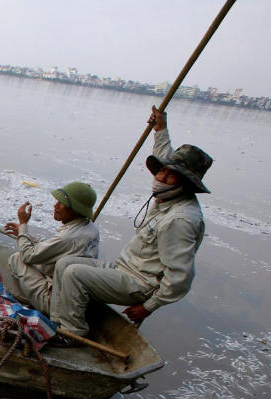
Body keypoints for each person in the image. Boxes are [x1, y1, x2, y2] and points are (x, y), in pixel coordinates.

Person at [49, 107, 212, 341]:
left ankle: (72, 333)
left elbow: (180, 278)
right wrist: (161, 130)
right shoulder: (168, 194)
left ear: (186, 183)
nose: (161, 177)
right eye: (161, 171)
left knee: (75, 274)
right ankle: (57, 321)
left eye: (170, 175)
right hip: (123, 268)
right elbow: (165, 154)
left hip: (139, 284)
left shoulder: (181, 219)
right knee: (65, 263)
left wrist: (150, 306)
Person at [3, 182, 100, 314]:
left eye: (61, 203)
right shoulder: (91, 229)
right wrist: (23, 234)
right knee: (39, 261)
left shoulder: (67, 237)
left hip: (56, 304)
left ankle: (32, 304)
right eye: (57, 201)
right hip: (75, 297)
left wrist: (23, 225)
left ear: (75, 209)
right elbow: (51, 246)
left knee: (16, 259)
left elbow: (27, 255)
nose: (56, 206)